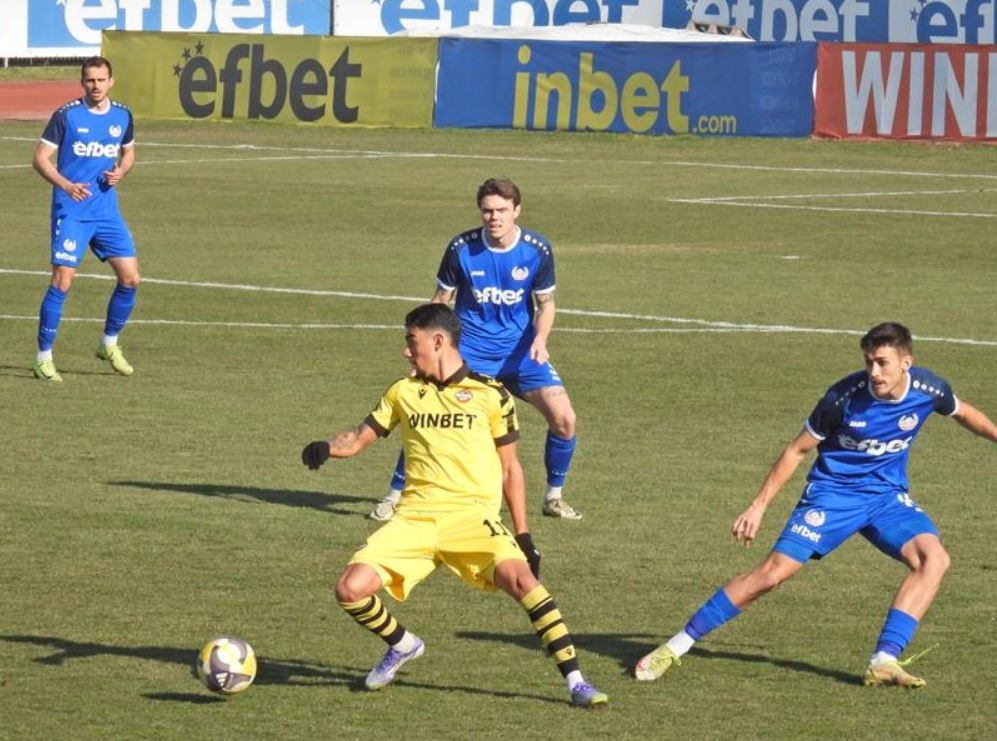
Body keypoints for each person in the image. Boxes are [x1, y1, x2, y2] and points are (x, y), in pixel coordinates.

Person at [635, 322, 996, 688]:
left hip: (886, 496)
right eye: (869, 361)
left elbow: (964, 412)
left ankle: (883, 660)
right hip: (833, 495)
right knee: (771, 575)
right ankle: (674, 647)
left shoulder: (929, 389)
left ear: (906, 362)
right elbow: (797, 450)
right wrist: (758, 506)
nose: (873, 371)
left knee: (934, 560)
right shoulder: (842, 398)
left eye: (882, 363)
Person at [301, 303, 607, 707]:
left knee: (525, 584)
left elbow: (510, 469)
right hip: (414, 520)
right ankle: (404, 644)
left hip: (472, 519)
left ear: (438, 341)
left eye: (412, 342)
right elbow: (359, 437)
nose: (406, 352)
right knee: (349, 589)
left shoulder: (492, 395)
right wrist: (328, 447)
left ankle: (577, 683)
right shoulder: (403, 392)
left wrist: (524, 536)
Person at [369, 177, 582, 522]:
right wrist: (425, 353)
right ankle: (394, 497)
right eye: (487, 211)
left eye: (501, 210)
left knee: (564, 418)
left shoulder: (536, 250)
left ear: (516, 210)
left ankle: (553, 498)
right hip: (470, 355)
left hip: (521, 356)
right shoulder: (461, 248)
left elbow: (546, 304)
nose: (494, 217)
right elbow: (441, 301)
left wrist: (540, 341)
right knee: (431, 418)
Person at [31, 56, 139, 382]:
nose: (96, 86)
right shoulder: (67, 116)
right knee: (62, 281)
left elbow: (128, 152)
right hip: (72, 212)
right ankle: (43, 358)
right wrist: (66, 185)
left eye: (101, 80)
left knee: (131, 279)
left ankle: (108, 344)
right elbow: (40, 159)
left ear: (111, 81)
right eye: (90, 80)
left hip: (106, 212)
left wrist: (121, 171)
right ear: (82, 83)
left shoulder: (122, 115)